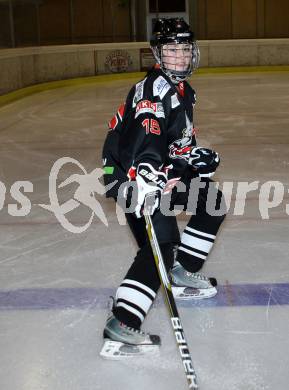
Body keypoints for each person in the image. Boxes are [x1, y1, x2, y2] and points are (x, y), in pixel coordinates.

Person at [100, 18, 226, 358]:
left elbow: (176, 142)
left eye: (185, 49)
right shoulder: (154, 90)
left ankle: (180, 272)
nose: (180, 57)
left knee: (211, 200)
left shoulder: (181, 90)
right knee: (159, 247)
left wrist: (192, 157)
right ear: (158, 53)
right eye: (172, 50)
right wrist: (148, 169)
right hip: (134, 177)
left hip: (160, 172)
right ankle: (121, 324)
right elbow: (149, 135)